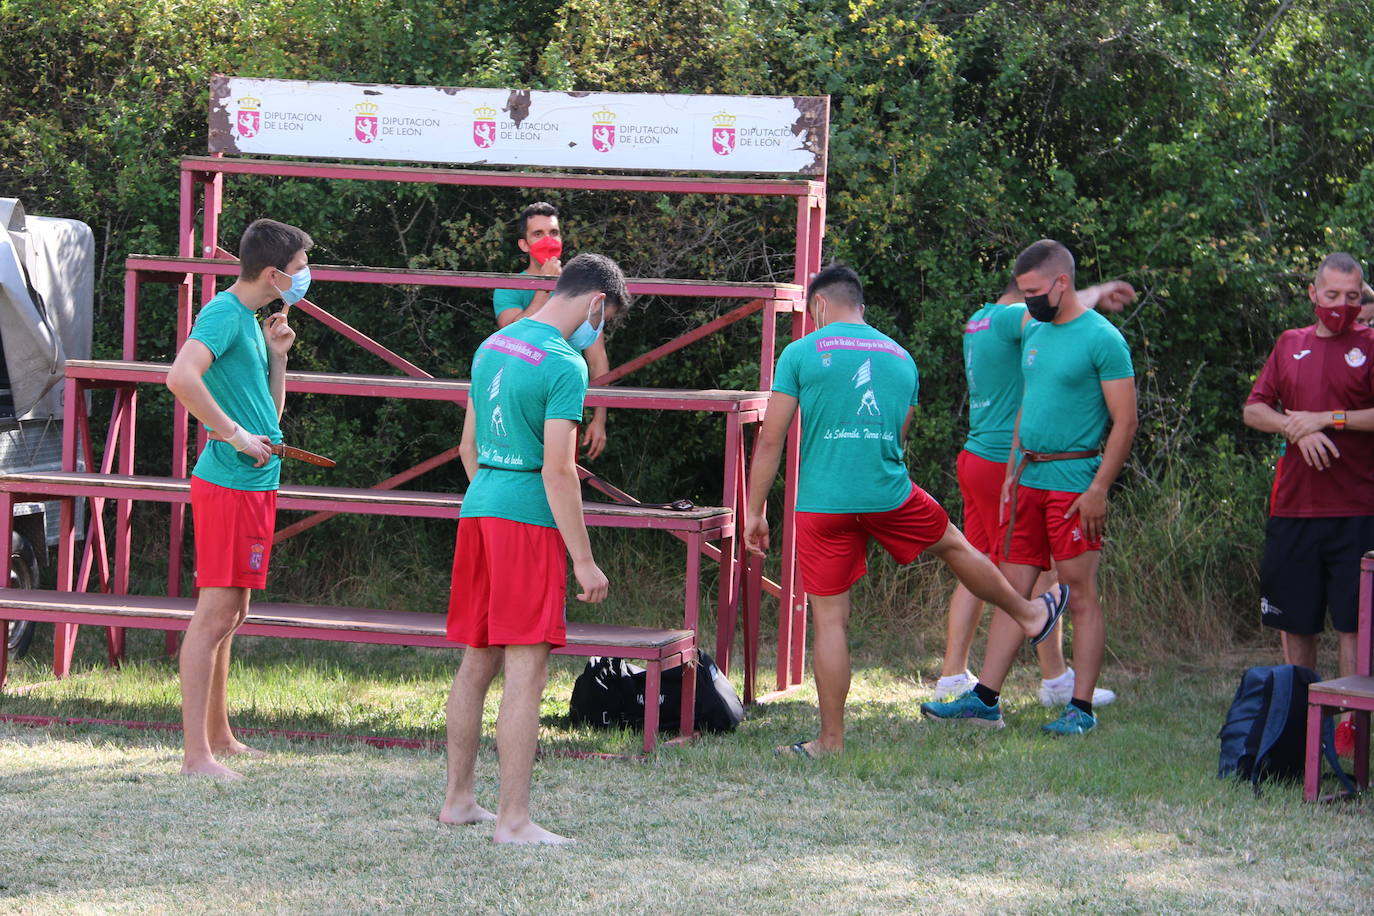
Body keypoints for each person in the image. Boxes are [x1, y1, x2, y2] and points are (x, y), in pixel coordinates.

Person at [744, 263, 1069, 758]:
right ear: (861, 307)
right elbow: (898, 435)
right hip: (889, 493)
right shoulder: (900, 357)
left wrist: (755, 511)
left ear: (819, 307)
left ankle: (830, 741)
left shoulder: (801, 352)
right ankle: (1027, 614)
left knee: (830, 622)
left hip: (820, 505)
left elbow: (771, 439)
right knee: (957, 545)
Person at [440, 253, 629, 844]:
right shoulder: (564, 364)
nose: (600, 331)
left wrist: (493, 497)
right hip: (525, 520)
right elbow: (559, 472)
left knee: (477, 661)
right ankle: (514, 821)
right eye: (608, 320)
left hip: (481, 505)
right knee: (526, 669)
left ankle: (458, 802)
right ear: (597, 303)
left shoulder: (492, 346)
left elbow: (468, 447)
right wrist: (584, 558)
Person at [922, 239, 1137, 735]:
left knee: (1079, 593)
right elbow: (1027, 406)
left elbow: (1125, 422)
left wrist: (1100, 488)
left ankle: (1079, 708)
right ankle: (984, 700)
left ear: (1062, 283)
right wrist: (1013, 474)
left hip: (1073, 483)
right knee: (1011, 590)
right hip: (1026, 480)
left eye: (1035, 291)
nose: (1029, 301)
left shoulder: (1102, 338)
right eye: (1023, 293)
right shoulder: (1035, 331)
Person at [166, 218, 309, 779]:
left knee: (235, 612)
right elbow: (181, 377)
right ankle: (195, 756)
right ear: (273, 273)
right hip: (227, 482)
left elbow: (268, 422)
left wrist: (278, 357)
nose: (304, 278)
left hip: (255, 483)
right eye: (299, 269)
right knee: (214, 615)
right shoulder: (224, 314)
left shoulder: (252, 322)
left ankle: (219, 737)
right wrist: (230, 433)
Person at [1242, 253, 1373, 713]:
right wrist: (1293, 426)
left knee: (1354, 625)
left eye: (1352, 297)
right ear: (1313, 293)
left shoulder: (1370, 343)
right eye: (1333, 295)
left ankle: (1348, 728)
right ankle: (1298, 720)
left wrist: (1327, 419)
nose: (1342, 305)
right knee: (1295, 622)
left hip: (1357, 509)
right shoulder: (1289, 343)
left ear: (1362, 298)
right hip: (1294, 507)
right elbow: (1254, 408)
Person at [493, 202, 610, 459]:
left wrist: (600, 418)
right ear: (524, 244)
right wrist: (544, 288)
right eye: (538, 234)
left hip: (564, 398)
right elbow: (510, 335)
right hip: (519, 403)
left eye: (553, 233)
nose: (548, 240)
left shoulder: (583, 288)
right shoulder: (507, 287)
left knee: (561, 475)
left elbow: (597, 356)